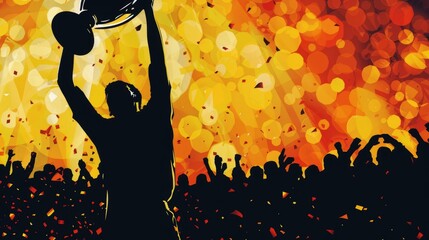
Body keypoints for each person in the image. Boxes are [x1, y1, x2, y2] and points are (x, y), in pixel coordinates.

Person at [57, 1, 180, 239]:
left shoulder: (120, 127)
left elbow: (158, 62)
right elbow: (66, 85)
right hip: (140, 220)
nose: (113, 94)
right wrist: (72, 36)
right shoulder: (154, 118)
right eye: (111, 95)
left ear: (136, 96)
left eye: (118, 90)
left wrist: (147, 13)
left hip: (126, 220)